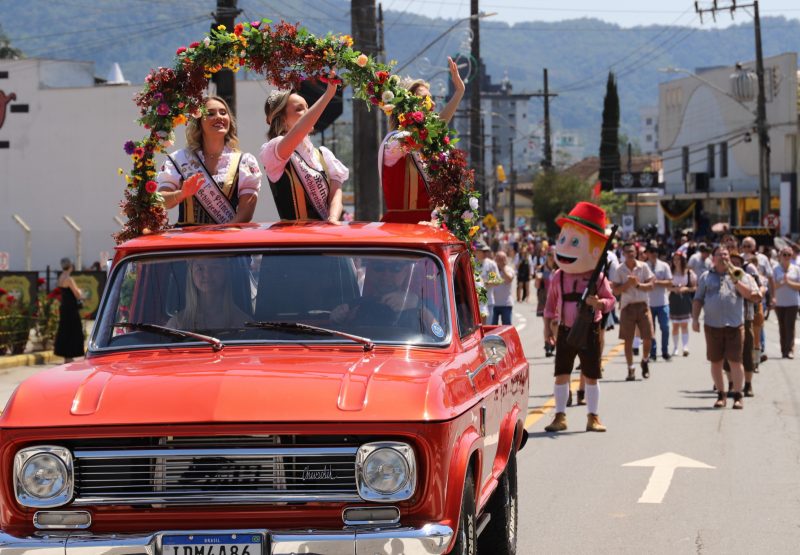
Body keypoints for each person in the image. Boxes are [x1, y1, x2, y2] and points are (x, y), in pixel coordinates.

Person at [543, 202, 615, 433]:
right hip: (564, 329)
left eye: (574, 242)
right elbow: (550, 305)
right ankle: (560, 416)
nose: (564, 247)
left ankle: (593, 416)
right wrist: (547, 330)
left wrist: (599, 303)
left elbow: (611, 300)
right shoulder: (558, 277)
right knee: (561, 374)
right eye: (563, 240)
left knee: (591, 375)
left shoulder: (599, 277)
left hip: (590, 330)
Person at [379, 57, 465, 223]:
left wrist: (459, 92)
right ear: (409, 105)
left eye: (432, 98)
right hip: (402, 229)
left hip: (432, 229)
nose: (432, 104)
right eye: (425, 99)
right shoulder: (394, 141)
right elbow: (425, 135)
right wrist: (458, 94)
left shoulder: (432, 147)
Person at [158, 96, 262, 225]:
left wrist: (222, 235)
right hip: (187, 240)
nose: (219, 116)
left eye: (223, 113)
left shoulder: (244, 161)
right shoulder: (179, 159)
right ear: (199, 122)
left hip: (226, 238)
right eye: (211, 113)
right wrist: (181, 194)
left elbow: (246, 212)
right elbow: (160, 201)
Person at [261, 80, 347, 222]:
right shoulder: (275, 150)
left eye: (308, 107)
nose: (308, 112)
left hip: (324, 235)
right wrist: (327, 95)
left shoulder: (323, 155)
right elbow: (300, 128)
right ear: (282, 120)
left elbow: (336, 194)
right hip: (294, 239)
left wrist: (332, 217)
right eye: (299, 109)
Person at [692, 246, 760, 409]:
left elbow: (750, 295)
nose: (723, 257)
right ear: (713, 258)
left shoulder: (738, 273)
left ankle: (738, 395)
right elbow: (698, 299)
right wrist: (695, 319)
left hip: (734, 325)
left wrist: (735, 280)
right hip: (712, 325)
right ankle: (721, 395)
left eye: (725, 254)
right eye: (719, 254)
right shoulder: (706, 276)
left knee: (736, 361)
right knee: (716, 362)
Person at [330, 258, 439, 331]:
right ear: (370, 271)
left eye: (395, 268)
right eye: (379, 267)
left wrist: (418, 306)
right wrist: (337, 317)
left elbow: (439, 335)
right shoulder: (355, 305)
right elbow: (336, 336)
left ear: (405, 272)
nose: (386, 274)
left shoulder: (423, 305)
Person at [612, 242, 655, 380]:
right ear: (623, 254)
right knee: (628, 340)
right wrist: (627, 284)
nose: (630, 254)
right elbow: (616, 290)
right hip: (627, 307)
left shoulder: (643, 266)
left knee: (648, 337)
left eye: (632, 251)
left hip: (642, 305)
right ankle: (630, 368)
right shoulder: (619, 270)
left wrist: (637, 284)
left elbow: (651, 285)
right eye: (627, 252)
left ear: (635, 253)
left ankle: (645, 360)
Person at [53, 257, 85, 362]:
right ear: (70, 266)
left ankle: (66, 356)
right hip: (71, 308)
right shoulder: (69, 279)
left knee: (65, 330)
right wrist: (81, 292)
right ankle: (70, 354)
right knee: (74, 330)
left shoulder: (61, 277)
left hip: (64, 307)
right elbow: (77, 294)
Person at [645, 244, 673, 361]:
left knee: (665, 328)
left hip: (662, 303)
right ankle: (652, 353)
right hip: (648, 303)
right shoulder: (644, 266)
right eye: (651, 251)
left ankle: (665, 351)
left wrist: (657, 283)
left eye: (656, 251)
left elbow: (670, 283)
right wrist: (649, 282)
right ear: (647, 253)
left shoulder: (664, 265)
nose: (653, 254)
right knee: (651, 330)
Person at [772, 246, 800, 359]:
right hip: (779, 302)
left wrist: (788, 282)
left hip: (792, 302)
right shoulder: (775, 268)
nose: (787, 257)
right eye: (785, 254)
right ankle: (783, 350)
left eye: (789, 254)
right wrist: (782, 282)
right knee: (782, 326)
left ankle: (790, 350)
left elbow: (799, 286)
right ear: (780, 256)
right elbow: (772, 285)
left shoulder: (796, 268)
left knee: (790, 326)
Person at [668, 251, 696, 357]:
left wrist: (686, 288)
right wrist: (673, 289)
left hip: (685, 298)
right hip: (674, 298)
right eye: (674, 259)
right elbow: (666, 286)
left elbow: (695, 287)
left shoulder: (689, 273)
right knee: (675, 325)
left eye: (678, 259)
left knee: (684, 324)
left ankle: (685, 346)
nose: (676, 261)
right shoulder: (670, 272)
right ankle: (675, 347)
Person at [476, 243, 499, 324]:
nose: (486, 253)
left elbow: (496, 281)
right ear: (476, 252)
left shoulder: (491, 264)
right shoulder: (471, 263)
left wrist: (485, 283)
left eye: (487, 251)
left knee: (487, 329)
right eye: (483, 251)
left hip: (488, 301)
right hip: (475, 303)